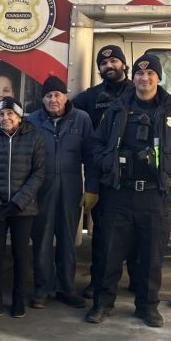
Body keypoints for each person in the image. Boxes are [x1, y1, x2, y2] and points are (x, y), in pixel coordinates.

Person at [86, 54, 171, 328]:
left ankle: (148, 306)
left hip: (155, 194)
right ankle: (103, 304)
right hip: (119, 192)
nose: (144, 78)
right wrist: (107, 161)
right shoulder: (117, 108)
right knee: (110, 252)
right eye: (140, 74)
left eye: (150, 73)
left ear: (158, 77)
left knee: (151, 255)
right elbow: (95, 143)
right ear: (134, 77)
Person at [72, 45, 136, 299]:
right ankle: (98, 281)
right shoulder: (90, 97)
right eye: (104, 64)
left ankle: (137, 281)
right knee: (104, 235)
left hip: (134, 176)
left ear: (123, 64)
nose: (109, 67)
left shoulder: (139, 91)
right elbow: (63, 110)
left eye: (114, 62)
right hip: (104, 177)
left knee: (138, 235)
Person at [27, 77, 96, 310]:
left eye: (57, 95)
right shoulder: (33, 121)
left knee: (68, 239)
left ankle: (66, 288)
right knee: (42, 239)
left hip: (71, 188)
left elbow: (92, 156)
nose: (52, 100)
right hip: (42, 188)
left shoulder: (82, 119)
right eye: (48, 96)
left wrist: (91, 188)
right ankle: (42, 288)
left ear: (65, 96)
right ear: (42, 99)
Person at [0, 97, 44, 318]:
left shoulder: (34, 138)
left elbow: (38, 174)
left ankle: (18, 300)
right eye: (1, 114)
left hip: (23, 210)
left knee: (21, 254)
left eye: (10, 114)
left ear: (19, 116)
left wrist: (18, 202)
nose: (5, 118)